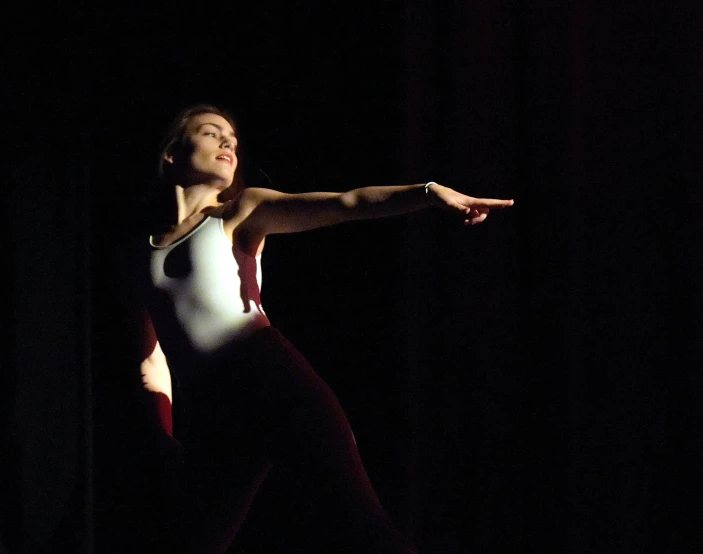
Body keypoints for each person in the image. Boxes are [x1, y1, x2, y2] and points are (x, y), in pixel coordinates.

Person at [140, 103, 514, 553]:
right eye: (211, 133)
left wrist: (429, 193)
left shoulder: (241, 211)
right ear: (172, 154)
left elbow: (347, 203)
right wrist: (161, 436)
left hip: (275, 380)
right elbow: (150, 357)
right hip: (221, 413)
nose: (227, 144)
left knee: (361, 525)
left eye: (233, 141)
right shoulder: (140, 253)